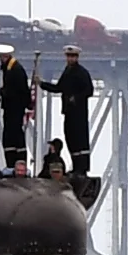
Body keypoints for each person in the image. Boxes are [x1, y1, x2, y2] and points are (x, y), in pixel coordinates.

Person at [36, 45, 94, 175]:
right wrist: (42, 84)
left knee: (80, 140)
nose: (70, 59)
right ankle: (76, 166)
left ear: (77, 57)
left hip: (79, 113)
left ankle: (82, 167)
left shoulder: (82, 72)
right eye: (68, 56)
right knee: (71, 138)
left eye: (72, 56)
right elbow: (59, 88)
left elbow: (89, 90)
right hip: (68, 111)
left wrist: (76, 98)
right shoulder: (67, 71)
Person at [0, 44, 33, 168]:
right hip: (12, 109)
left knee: (13, 136)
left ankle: (14, 164)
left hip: (14, 109)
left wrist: (4, 92)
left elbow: (20, 90)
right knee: (10, 137)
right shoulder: (10, 68)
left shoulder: (14, 69)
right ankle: (12, 163)